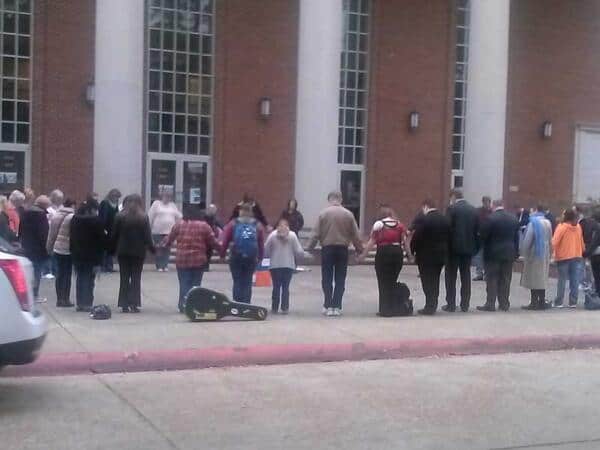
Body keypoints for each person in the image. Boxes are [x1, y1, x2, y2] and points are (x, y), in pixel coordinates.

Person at [307, 191, 363, 317]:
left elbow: (315, 233)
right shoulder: (348, 214)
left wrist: (309, 248)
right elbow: (355, 234)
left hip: (327, 248)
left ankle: (327, 304)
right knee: (340, 278)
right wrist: (360, 249)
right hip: (342, 249)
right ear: (341, 199)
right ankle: (337, 306)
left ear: (329, 199)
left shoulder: (323, 214)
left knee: (326, 277)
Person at [163, 207, 221, 313]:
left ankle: (183, 304)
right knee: (196, 284)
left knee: (184, 283)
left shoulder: (179, 224)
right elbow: (213, 242)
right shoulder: (204, 226)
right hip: (198, 260)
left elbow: (169, 239)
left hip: (182, 259)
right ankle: (193, 305)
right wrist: (221, 250)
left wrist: (164, 245)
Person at [359, 205, 407, 317]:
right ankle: (392, 306)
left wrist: (363, 255)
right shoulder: (399, 225)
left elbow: (372, 241)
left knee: (382, 281)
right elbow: (405, 242)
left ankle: (384, 309)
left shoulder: (379, 225)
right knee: (392, 280)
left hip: (383, 253)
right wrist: (409, 255)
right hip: (397, 253)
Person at [111, 194, 155, 313]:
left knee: (124, 278)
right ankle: (134, 304)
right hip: (138, 252)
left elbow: (114, 235)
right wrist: (153, 249)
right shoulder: (143, 217)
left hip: (123, 251)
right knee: (136, 278)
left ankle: (124, 304)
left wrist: (111, 249)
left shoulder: (120, 216)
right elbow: (147, 236)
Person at [477, 199, 519, 312]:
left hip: (492, 253)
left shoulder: (490, 219)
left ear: (493, 206)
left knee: (491, 279)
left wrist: (479, 247)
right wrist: (516, 252)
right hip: (508, 253)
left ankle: (490, 303)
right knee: (506, 279)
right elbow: (516, 238)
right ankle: (504, 304)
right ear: (503, 205)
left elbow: (483, 236)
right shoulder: (513, 218)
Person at [410, 199, 450, 315]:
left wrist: (411, 251)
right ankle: (433, 304)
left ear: (425, 206)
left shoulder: (424, 219)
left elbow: (417, 237)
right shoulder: (444, 219)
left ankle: (429, 306)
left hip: (425, 256)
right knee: (435, 280)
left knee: (427, 281)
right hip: (440, 255)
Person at [220, 202, 266, 304]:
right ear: (251, 212)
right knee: (247, 281)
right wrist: (261, 256)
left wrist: (222, 254)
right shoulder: (257, 225)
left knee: (237, 281)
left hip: (236, 256)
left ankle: (237, 304)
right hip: (251, 257)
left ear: (240, 211)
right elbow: (261, 243)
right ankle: (246, 304)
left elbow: (225, 240)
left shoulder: (233, 223)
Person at [264, 218, 311, 314]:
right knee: (285, 287)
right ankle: (285, 308)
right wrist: (305, 255)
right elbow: (298, 251)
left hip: (275, 265)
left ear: (277, 226)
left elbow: (266, 250)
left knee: (276, 287)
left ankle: (274, 307)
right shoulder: (292, 235)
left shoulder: (272, 235)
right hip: (288, 265)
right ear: (288, 226)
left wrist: (268, 256)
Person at [445, 190, 479, 312]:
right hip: (468, 249)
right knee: (466, 276)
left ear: (453, 197)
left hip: (453, 249)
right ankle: (465, 304)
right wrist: (475, 247)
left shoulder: (451, 209)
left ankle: (451, 304)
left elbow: (447, 228)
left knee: (450, 277)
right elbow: (477, 230)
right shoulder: (473, 209)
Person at [70, 198, 106, 312]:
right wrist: (100, 260)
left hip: (78, 254)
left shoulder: (74, 220)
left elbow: (71, 238)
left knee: (80, 278)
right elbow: (101, 242)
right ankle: (87, 302)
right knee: (89, 280)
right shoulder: (97, 222)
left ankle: (80, 302)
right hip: (92, 256)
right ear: (91, 210)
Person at [520, 205, 553, 310]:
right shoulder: (548, 222)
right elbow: (550, 239)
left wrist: (523, 253)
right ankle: (542, 301)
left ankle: (534, 302)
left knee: (533, 278)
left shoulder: (533, 223)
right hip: (545, 252)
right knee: (542, 278)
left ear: (535, 210)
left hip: (534, 253)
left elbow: (528, 240)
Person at [19, 195, 51, 302]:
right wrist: (47, 248)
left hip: (27, 247)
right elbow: (44, 234)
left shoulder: (25, 213)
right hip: (38, 249)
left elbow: (21, 230)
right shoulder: (41, 215)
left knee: (28, 273)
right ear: (43, 205)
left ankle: (28, 294)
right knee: (37, 273)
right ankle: (35, 295)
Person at [552, 209, 585, 308]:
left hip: (563, 257)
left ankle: (559, 301)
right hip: (577, 255)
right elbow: (581, 241)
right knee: (575, 280)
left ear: (566, 216)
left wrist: (552, 254)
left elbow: (554, 242)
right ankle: (573, 302)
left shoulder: (562, 227)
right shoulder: (578, 227)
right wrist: (583, 250)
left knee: (562, 280)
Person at [46, 198, 76, 307]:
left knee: (59, 274)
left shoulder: (56, 216)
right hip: (68, 249)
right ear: (72, 205)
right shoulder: (73, 217)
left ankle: (59, 299)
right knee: (67, 275)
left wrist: (49, 247)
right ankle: (66, 298)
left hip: (57, 248)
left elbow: (51, 234)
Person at [148, 191, 182, 272]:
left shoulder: (172, 205)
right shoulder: (156, 204)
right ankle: (159, 265)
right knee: (159, 248)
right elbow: (150, 216)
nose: (167, 198)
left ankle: (165, 265)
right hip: (157, 231)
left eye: (169, 197)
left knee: (167, 248)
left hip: (169, 231)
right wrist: (148, 227)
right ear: (162, 196)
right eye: (166, 196)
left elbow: (179, 216)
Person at [99, 188, 122, 272]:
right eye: (116, 197)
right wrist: (103, 228)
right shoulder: (104, 203)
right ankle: (103, 266)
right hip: (105, 229)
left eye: (118, 197)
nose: (117, 199)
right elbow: (102, 217)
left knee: (111, 249)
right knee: (105, 248)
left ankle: (109, 266)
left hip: (112, 229)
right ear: (111, 196)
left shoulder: (115, 204)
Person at [473, 196, 492, 281]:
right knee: (479, 256)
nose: (486, 204)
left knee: (488, 256)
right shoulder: (478, 211)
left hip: (490, 238)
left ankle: (487, 274)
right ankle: (479, 273)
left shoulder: (492, 212)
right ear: (483, 202)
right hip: (480, 236)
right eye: (485, 202)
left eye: (488, 202)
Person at [584, 210, 600, 296]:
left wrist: (586, 254)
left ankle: (598, 293)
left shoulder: (597, 228)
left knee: (597, 276)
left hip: (596, 256)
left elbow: (594, 243)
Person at [203, 203, 223, 272]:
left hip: (211, 236)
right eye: (211, 209)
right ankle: (203, 265)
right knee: (204, 251)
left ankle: (206, 265)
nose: (212, 211)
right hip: (203, 236)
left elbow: (221, 225)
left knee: (209, 252)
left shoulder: (215, 218)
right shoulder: (203, 217)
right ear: (208, 209)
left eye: (214, 210)